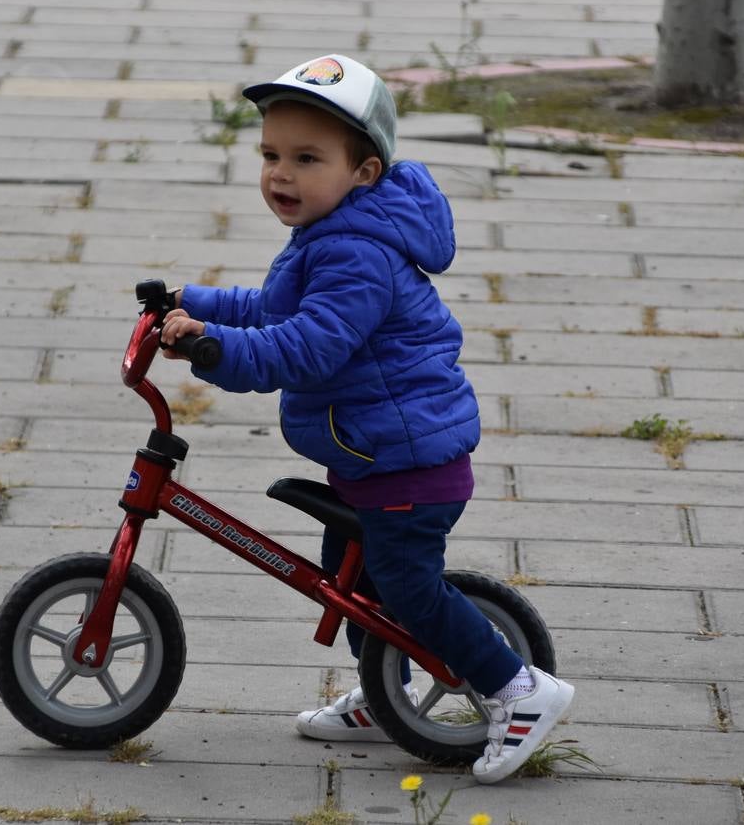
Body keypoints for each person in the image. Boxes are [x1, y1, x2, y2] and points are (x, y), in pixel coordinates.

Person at [159, 54, 574, 784]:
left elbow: (306, 348)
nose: (280, 174)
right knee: (351, 580)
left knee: (406, 587)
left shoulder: (356, 253)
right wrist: (195, 302)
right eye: (270, 155)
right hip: (371, 455)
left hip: (408, 461)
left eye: (306, 158)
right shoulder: (334, 230)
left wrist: (215, 351)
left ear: (366, 172)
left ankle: (519, 689)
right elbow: (276, 308)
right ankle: (389, 694)